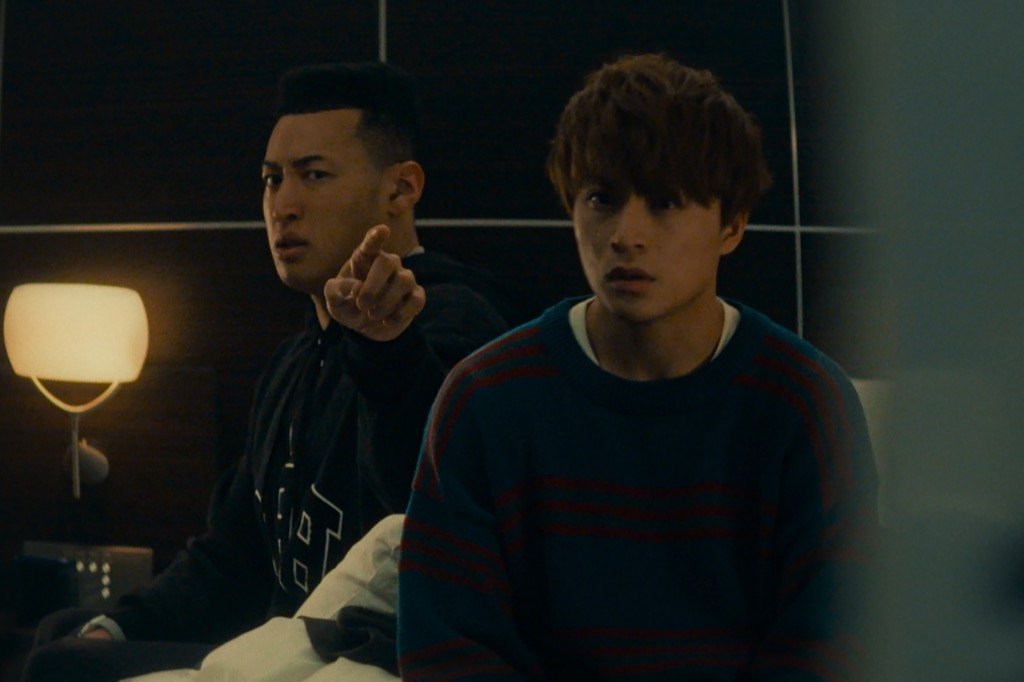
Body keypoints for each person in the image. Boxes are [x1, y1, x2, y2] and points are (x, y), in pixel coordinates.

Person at [22, 61, 531, 682]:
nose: (283, 206)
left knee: (58, 665)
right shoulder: (292, 362)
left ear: (401, 189)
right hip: (269, 655)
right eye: (272, 179)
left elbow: (434, 503)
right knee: (62, 631)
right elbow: (231, 556)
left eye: (314, 175)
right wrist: (117, 627)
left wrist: (386, 351)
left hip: (361, 660)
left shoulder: (457, 323)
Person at [397, 53, 878, 680]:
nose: (627, 234)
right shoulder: (486, 400)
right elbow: (447, 649)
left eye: (665, 202)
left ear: (732, 225)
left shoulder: (803, 400)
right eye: (602, 198)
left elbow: (836, 642)